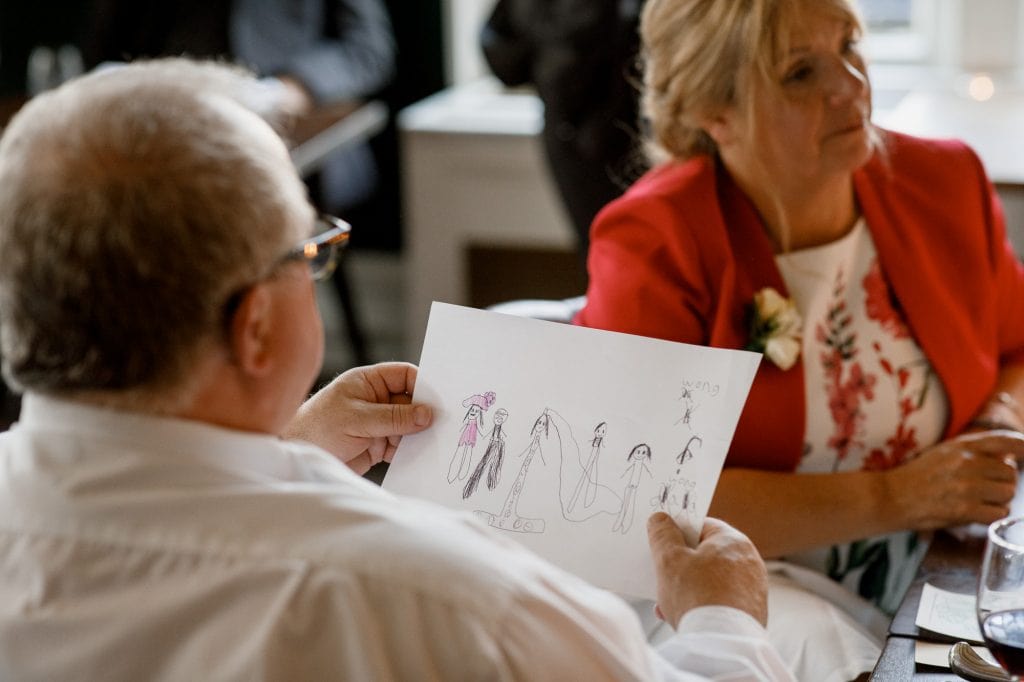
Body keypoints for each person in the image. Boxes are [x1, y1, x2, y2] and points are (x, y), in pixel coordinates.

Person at [0, 58, 794, 680]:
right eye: (310, 252)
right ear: (255, 330)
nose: (317, 265)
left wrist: (290, 446)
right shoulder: (447, 598)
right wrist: (724, 625)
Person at [575, 0, 1024, 679]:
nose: (849, 83)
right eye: (799, 73)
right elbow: (651, 500)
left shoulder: (943, 182)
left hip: (935, 563)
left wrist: (998, 415)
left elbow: (1018, 348)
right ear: (713, 112)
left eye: (849, 44)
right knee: (826, 648)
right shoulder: (656, 240)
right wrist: (898, 496)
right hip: (739, 581)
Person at [480, 0, 648, 265]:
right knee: (615, 260)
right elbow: (503, 53)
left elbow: (504, 53)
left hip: (602, 128)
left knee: (619, 260)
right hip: (586, 130)